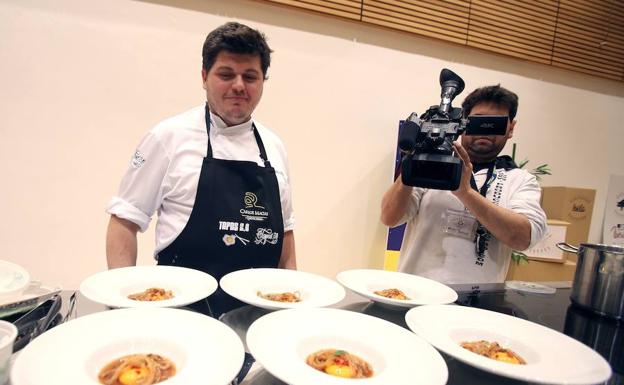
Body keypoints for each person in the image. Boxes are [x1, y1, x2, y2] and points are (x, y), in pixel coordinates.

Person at [105, 21, 296, 316]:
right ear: (204, 76)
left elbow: (285, 235)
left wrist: (292, 305)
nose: (238, 86)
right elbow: (124, 223)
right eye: (226, 74)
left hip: (258, 316)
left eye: (250, 76)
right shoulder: (167, 137)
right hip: (179, 312)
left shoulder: (274, 146)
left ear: (262, 81)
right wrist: (121, 306)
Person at [380, 85, 546, 284]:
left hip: (476, 307)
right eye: (479, 121)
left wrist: (465, 192)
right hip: (415, 294)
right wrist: (413, 160)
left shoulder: (519, 179)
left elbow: (522, 238)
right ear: (464, 122)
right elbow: (389, 217)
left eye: (496, 123)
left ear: (511, 128)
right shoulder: (430, 164)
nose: (486, 130)